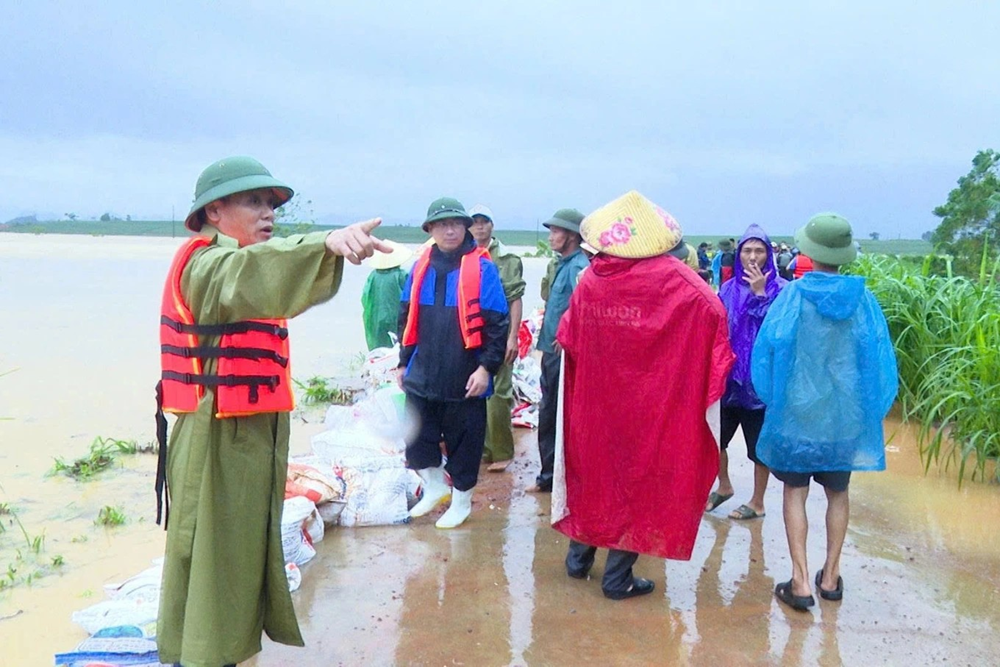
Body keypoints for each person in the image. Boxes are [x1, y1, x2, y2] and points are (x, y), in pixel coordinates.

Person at [155, 156, 390, 667]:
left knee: (239, 554)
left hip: (255, 432)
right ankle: (197, 656)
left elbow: (265, 273)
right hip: (216, 437)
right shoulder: (208, 264)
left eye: (271, 204)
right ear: (214, 212)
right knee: (210, 555)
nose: (269, 214)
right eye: (253, 202)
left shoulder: (242, 259)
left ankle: (226, 651)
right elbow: (252, 273)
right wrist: (323, 244)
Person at [552, 190, 735, 599]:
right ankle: (618, 578)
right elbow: (714, 316)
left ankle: (578, 560)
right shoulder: (679, 282)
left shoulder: (593, 279)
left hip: (596, 403)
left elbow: (569, 338)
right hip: (650, 403)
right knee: (636, 481)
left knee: (595, 472)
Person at [751, 213, 898, 611]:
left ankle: (799, 582)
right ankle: (830, 578)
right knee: (838, 492)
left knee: (794, 492)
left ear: (808, 253)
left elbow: (767, 351)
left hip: (798, 415)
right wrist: (867, 411)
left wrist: (774, 400)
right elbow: (878, 361)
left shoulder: (793, 297)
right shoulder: (863, 301)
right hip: (844, 419)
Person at [397, 197, 510, 528]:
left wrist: (486, 368)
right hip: (423, 369)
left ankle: (461, 500)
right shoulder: (419, 268)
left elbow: (497, 323)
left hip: (465, 371)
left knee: (465, 440)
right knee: (417, 436)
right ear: (430, 229)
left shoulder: (483, 269)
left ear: (465, 228)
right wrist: (403, 363)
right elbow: (405, 317)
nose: (449, 230)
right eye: (442, 225)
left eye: (456, 224)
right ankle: (434, 488)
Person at [705, 225, 787, 520]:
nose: (753, 257)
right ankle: (724, 485)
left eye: (759, 250)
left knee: (758, 448)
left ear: (769, 254)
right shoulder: (727, 289)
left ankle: (757, 501)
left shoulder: (782, 290)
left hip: (761, 384)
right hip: (728, 379)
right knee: (714, 439)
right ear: (739, 254)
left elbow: (779, 334)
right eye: (747, 251)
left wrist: (760, 295)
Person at [530, 208, 589, 492]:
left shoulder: (579, 266)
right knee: (551, 410)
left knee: (552, 412)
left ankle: (550, 477)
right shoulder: (563, 263)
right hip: (552, 349)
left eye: (556, 231)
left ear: (572, 236)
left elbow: (584, 307)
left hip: (562, 353)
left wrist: (569, 335)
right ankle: (552, 474)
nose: (551, 236)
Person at [468, 204, 525, 472]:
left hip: (500, 333)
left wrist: (513, 337)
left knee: (499, 394)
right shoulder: (465, 257)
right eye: (474, 222)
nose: (479, 227)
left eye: (484, 222)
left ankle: (502, 451)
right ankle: (483, 448)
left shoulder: (507, 259)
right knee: (475, 393)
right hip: (473, 335)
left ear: (492, 225)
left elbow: (515, 298)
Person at [361, 240, 412, 350]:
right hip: (397, 316)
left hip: (375, 317)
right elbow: (411, 296)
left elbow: (365, 298)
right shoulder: (401, 275)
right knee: (397, 347)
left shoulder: (373, 276)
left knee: (379, 348)